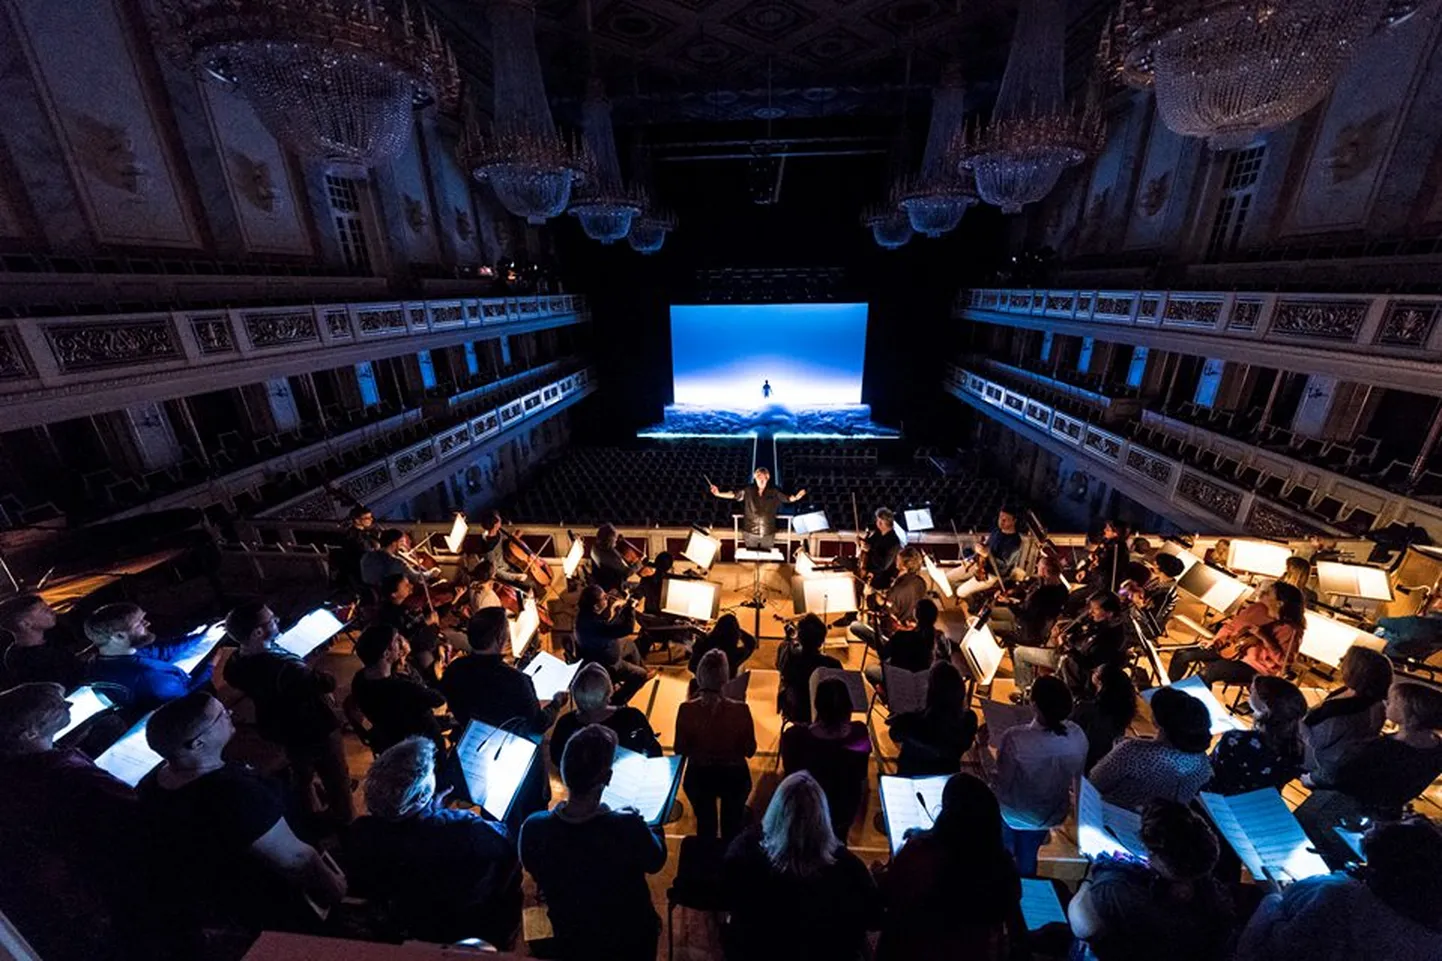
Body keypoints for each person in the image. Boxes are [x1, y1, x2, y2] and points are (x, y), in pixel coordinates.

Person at [139, 692, 347, 936]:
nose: (230, 714)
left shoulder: (153, 782)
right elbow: (296, 860)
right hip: (280, 901)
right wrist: (334, 889)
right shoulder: (235, 795)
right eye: (220, 716)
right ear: (197, 744)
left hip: (232, 901)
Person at [0, 683, 144, 961]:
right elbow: (135, 815)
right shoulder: (69, 774)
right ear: (29, 733)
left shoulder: (13, 768)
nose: (69, 707)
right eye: (56, 708)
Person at [345, 737, 522, 948]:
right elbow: (509, 846)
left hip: (402, 925)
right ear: (420, 796)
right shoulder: (467, 829)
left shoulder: (361, 832)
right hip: (464, 928)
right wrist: (441, 817)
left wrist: (432, 813)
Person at [519, 724, 668, 961]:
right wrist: (650, 822)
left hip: (569, 937)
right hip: (629, 942)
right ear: (608, 778)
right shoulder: (627, 827)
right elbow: (656, 860)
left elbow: (536, 868)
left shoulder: (534, 827)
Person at [721, 771, 879, 961]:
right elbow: (874, 917)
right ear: (823, 816)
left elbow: (726, 898)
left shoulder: (744, 853)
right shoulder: (849, 868)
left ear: (775, 810)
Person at [1235, 817, 1442, 961]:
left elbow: (1274, 949)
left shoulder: (1341, 899)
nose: (1380, 823)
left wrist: (1274, 897)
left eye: (1398, 824)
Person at [222, 601, 353, 825]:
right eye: (272, 620)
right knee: (336, 778)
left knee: (301, 773)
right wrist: (306, 666)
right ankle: (343, 820)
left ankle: (310, 812)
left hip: (279, 727)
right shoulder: (287, 668)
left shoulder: (235, 663)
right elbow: (326, 682)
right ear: (257, 632)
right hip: (314, 728)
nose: (278, 621)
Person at [875, 773, 1021, 961]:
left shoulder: (921, 854)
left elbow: (889, 898)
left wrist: (880, 875)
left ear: (946, 813)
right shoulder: (1002, 865)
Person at [1068, 800, 1238, 961]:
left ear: (1156, 854)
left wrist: (1090, 876)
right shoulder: (1215, 896)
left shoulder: (1116, 889)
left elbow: (1083, 927)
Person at [987, 675, 1088, 874]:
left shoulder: (1015, 737)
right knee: (1028, 853)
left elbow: (1003, 786)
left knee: (1003, 849)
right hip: (1051, 813)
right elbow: (1078, 780)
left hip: (1012, 813)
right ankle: (1026, 879)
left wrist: (986, 756)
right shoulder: (1078, 734)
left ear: (1033, 705)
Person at [1323, 681, 1442, 821]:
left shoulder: (1383, 748)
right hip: (1388, 811)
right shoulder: (1437, 749)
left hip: (1350, 806)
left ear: (1409, 717)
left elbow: (1343, 776)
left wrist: (1313, 780)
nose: (1385, 702)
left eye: (1392, 702)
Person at [441, 607, 567, 736]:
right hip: (508, 739)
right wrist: (556, 703)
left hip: (469, 735)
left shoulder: (454, 670)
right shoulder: (517, 681)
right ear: (500, 639)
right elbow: (538, 725)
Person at [675, 649, 757, 840]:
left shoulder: (686, 710)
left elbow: (680, 749)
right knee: (732, 826)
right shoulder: (741, 710)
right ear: (725, 678)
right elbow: (750, 750)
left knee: (705, 826)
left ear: (700, 676)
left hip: (700, 776)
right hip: (734, 776)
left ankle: (707, 855)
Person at [1090, 686, 1214, 810]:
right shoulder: (1203, 765)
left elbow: (1095, 782)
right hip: (1161, 824)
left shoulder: (1132, 752)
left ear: (1158, 721)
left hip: (1112, 815)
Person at [780, 677, 871, 841]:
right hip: (841, 814)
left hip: (804, 812)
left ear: (816, 706)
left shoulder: (794, 737)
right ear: (848, 707)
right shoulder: (859, 734)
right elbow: (861, 777)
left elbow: (789, 775)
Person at [1167, 582, 1306, 686]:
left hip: (1254, 666)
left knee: (1208, 673)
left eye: (1269, 594)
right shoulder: (1257, 608)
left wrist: (1265, 638)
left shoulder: (1291, 630)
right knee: (1183, 653)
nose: (1263, 594)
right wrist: (1215, 640)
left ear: (1279, 603)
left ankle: (1193, 710)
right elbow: (1231, 626)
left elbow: (1284, 661)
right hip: (1231, 649)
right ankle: (1167, 689)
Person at [85, 603, 212, 711]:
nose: (148, 623)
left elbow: (161, 651)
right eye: (139, 623)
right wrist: (213, 664)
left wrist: (201, 636)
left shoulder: (106, 659)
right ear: (119, 636)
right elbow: (190, 697)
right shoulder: (147, 676)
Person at [1301, 646, 1393, 786]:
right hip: (1327, 751)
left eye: (1346, 660)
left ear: (1356, 672)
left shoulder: (1346, 715)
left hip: (1317, 761)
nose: (1341, 660)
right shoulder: (1366, 697)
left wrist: (1295, 718)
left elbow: (1315, 742)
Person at [350, 624, 446, 754]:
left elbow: (349, 705)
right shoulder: (403, 688)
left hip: (391, 739)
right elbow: (438, 699)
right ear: (386, 653)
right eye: (397, 641)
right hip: (421, 746)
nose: (402, 642)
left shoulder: (359, 679)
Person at [1207, 675, 1307, 795]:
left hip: (1219, 799)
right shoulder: (1298, 746)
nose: (1249, 692)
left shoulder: (1235, 740)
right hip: (1261, 804)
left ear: (1264, 706)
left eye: (1252, 691)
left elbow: (1210, 771)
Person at [1012, 592, 1125, 696]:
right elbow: (1080, 635)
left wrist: (1065, 646)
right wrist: (1064, 632)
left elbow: (1087, 663)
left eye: (1095, 610)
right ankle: (1030, 690)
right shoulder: (1098, 622)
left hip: (1074, 669)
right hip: (1068, 656)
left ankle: (1027, 695)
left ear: (1109, 613)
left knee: (1020, 653)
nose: (1090, 613)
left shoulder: (1111, 636)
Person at [548, 663, 659, 768]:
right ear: (609, 693)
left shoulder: (565, 724)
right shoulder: (631, 717)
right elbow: (654, 752)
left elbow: (557, 759)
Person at [887, 660, 977, 776]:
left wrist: (900, 715)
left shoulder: (914, 720)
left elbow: (894, 734)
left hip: (911, 773)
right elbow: (964, 746)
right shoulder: (969, 720)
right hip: (946, 776)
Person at [573, 585, 650, 703]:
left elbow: (609, 626)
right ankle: (616, 701)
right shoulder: (594, 625)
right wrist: (631, 608)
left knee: (629, 643)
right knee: (641, 675)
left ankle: (640, 669)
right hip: (608, 664)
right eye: (604, 598)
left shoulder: (584, 615)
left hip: (599, 650)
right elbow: (627, 629)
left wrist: (617, 611)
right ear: (596, 606)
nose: (607, 598)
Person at [708, 467, 806, 550]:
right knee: (750, 557)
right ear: (755, 478)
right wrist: (719, 493)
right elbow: (733, 494)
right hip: (749, 531)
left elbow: (788, 498)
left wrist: (796, 497)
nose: (762, 480)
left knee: (767, 559)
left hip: (768, 531)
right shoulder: (748, 490)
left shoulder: (775, 491)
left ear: (768, 478)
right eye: (759, 477)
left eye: (764, 478)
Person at [0, 594, 84, 690]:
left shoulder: (52, 635)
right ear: (25, 624)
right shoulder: (28, 660)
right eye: (45, 611)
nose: (52, 612)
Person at [851, 547, 927, 652]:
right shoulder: (921, 582)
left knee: (854, 626)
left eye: (898, 559)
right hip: (916, 631)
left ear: (903, 566)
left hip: (894, 637)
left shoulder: (897, 591)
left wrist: (869, 595)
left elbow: (883, 612)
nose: (896, 559)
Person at [989, 553, 1069, 648]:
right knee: (991, 612)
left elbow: (1024, 615)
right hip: (1037, 627)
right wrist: (1014, 598)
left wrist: (1009, 602)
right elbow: (1030, 606)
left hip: (1026, 631)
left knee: (988, 626)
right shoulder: (1063, 589)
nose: (1036, 567)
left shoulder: (1042, 594)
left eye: (1038, 566)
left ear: (1043, 571)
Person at [1070, 662, 1139, 771]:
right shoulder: (1123, 708)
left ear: (1099, 681)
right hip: (1105, 758)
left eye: (1096, 672)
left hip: (1082, 759)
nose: (1093, 672)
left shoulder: (1087, 709)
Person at [947, 506, 1024, 603]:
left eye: (1005, 519)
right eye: (1000, 517)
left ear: (1014, 521)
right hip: (980, 565)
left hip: (992, 573)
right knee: (948, 577)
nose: (1001, 521)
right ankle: (965, 595)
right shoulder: (997, 531)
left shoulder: (1015, 542)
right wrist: (974, 555)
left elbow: (1003, 566)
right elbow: (985, 548)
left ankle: (972, 604)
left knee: (960, 591)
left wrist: (987, 554)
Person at [777, 613, 841, 723]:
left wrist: (788, 639)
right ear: (822, 641)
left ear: (799, 638)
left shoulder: (789, 659)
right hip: (825, 714)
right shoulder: (833, 664)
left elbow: (780, 663)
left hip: (795, 712)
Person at [461, 509, 531, 591]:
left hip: (510, 563)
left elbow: (505, 544)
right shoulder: (488, 548)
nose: (501, 520)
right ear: (495, 525)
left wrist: (514, 537)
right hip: (505, 573)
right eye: (499, 520)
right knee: (529, 584)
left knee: (529, 576)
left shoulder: (499, 532)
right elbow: (496, 571)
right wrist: (515, 577)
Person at [1375, 591, 1442, 662]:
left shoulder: (1418, 623)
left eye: (1438, 597)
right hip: (1400, 658)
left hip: (1382, 649)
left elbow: (1382, 621)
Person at [689, 612, 757, 677]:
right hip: (725, 686)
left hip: (701, 685)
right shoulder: (735, 655)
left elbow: (691, 666)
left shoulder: (702, 646)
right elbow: (751, 642)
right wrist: (737, 629)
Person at [856, 507, 903, 591]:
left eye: (878, 521)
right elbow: (869, 543)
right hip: (869, 572)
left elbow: (884, 565)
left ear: (882, 522)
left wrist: (869, 549)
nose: (876, 523)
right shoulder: (878, 533)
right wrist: (861, 541)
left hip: (880, 578)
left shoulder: (894, 542)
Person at [589, 523, 641, 593]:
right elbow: (627, 573)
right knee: (641, 585)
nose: (616, 540)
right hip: (614, 586)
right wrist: (638, 564)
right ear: (609, 540)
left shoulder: (595, 547)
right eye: (614, 539)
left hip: (601, 581)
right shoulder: (610, 556)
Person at [336, 505, 379, 588]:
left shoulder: (364, 532)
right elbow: (366, 552)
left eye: (371, 517)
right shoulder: (354, 537)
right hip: (359, 571)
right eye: (367, 518)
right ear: (357, 520)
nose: (371, 520)